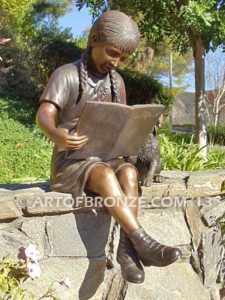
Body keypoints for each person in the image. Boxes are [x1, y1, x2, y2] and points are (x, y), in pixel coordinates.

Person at [36, 10, 182, 284]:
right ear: (93, 41)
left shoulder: (117, 83)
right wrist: (57, 134)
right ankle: (142, 243)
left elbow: (120, 120)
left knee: (128, 172)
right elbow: (44, 113)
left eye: (123, 58)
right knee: (103, 174)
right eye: (112, 53)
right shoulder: (66, 75)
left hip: (104, 155)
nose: (116, 62)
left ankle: (127, 251)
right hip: (72, 160)